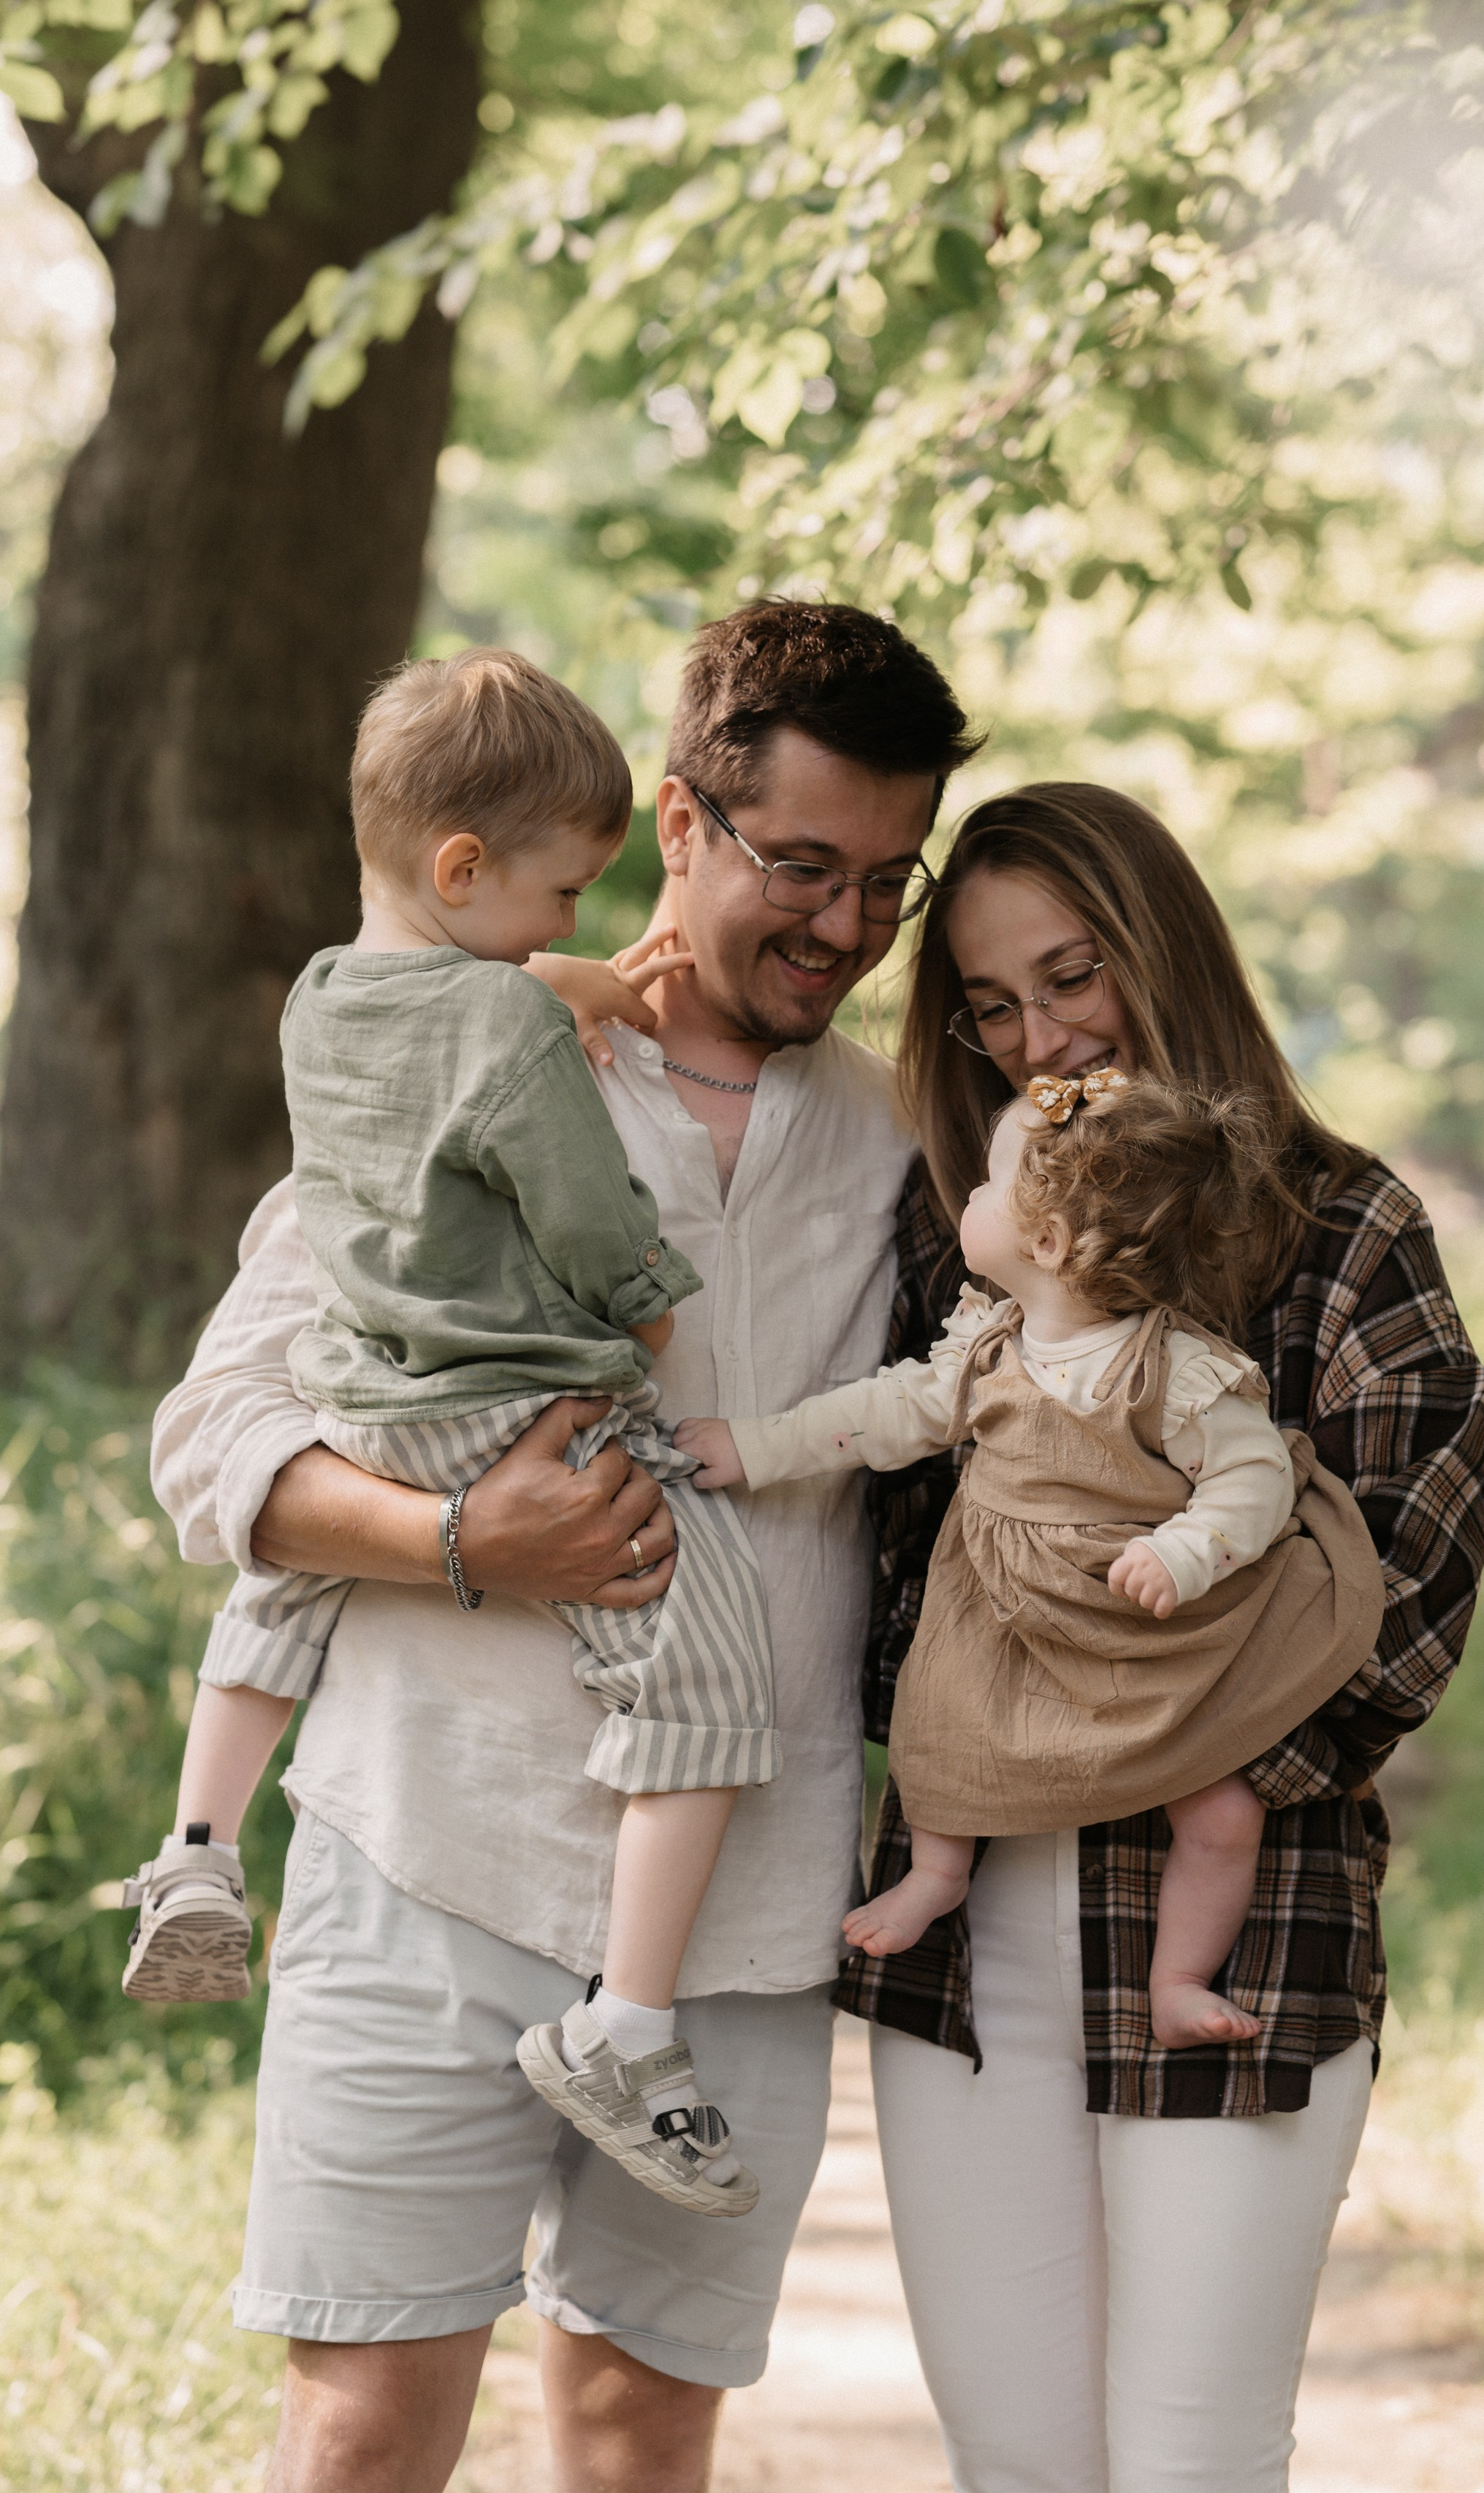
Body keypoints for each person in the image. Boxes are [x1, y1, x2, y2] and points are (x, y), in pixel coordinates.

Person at [148, 601, 981, 2493]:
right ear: (678, 823)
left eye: (883, 881)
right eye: (799, 865)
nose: (844, 926)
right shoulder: (475, 1040)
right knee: (360, 2428)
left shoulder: (904, 1141)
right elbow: (216, 1443)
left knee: (634, 2433)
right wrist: (461, 1535)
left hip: (733, 1928)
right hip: (424, 1848)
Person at [840, 782, 1484, 2493]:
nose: (1037, 1039)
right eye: (989, 1004)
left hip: (1241, 1930)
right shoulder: (962, 1236)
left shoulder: (1346, 1229)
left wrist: (1140, 1737)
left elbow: (1408, 1585)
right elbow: (891, 1574)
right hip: (963, 1966)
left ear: (1162, 950)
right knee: (1019, 2462)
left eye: (1070, 976)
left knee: (1192, 2465)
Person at [126, 647, 781, 2213]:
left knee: (280, 1589)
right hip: (524, 1403)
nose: (573, 922)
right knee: (709, 1667)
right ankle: (628, 2025)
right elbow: (571, 1193)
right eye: (563, 893)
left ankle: (198, 1845)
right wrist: (643, 1300)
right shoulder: (516, 1041)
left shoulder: (323, 997)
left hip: (371, 1397)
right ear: (464, 865)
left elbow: (458, 995)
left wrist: (566, 980)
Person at [677, 1067, 1384, 2050]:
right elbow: (879, 1417)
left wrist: (1186, 1550)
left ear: (1046, 1241)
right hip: (1005, 1608)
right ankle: (935, 1872)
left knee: (1222, 1811)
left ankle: (1176, 1977)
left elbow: (1255, 1480)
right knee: (943, 1727)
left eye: (985, 1184)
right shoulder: (984, 1346)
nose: (965, 1196)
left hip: (1133, 1620)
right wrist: (754, 1448)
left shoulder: (1174, 1368)